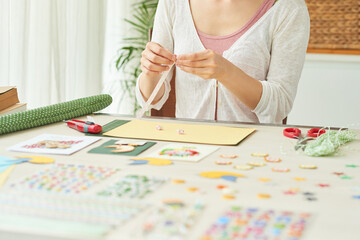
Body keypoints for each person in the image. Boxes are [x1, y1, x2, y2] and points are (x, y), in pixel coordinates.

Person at [136, 0, 310, 124]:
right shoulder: (173, 3)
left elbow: (279, 106)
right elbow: (152, 101)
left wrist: (226, 72)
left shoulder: (288, 8)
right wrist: (151, 71)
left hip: (254, 154)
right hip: (188, 148)